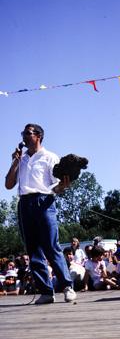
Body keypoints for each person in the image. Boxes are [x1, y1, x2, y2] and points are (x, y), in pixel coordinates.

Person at [5, 123, 76, 304]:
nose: (24, 136)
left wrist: (62, 187)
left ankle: (67, 286)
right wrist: (15, 161)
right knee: (33, 249)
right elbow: (8, 184)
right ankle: (46, 291)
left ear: (38, 136)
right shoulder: (21, 159)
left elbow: (57, 185)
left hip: (44, 200)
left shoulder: (50, 157)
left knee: (51, 246)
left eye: (28, 133)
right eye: (23, 133)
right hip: (24, 203)